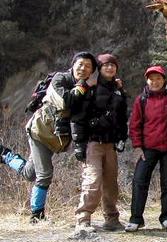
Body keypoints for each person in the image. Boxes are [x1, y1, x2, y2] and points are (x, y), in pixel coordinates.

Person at [0, 52, 97, 222]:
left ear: (91, 72)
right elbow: (65, 102)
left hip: (55, 138)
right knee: (45, 174)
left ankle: (6, 155)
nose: (83, 68)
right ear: (73, 65)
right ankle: (36, 215)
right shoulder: (60, 79)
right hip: (40, 131)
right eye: (80, 64)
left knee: (30, 174)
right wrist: (82, 86)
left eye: (88, 66)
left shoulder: (88, 90)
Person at [72, 53, 128, 234]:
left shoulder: (119, 90)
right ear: (100, 68)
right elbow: (79, 117)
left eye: (113, 65)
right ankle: (83, 219)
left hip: (110, 143)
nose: (110, 68)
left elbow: (122, 118)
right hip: (92, 142)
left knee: (111, 183)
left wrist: (122, 138)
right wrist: (79, 144)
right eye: (106, 65)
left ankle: (112, 219)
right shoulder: (90, 88)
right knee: (93, 180)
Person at [125, 65, 167, 233]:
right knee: (140, 181)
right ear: (147, 80)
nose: (155, 82)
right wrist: (137, 146)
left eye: (158, 78)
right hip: (148, 148)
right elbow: (135, 125)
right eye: (151, 79)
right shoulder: (142, 99)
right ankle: (136, 218)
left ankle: (166, 217)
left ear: (164, 80)